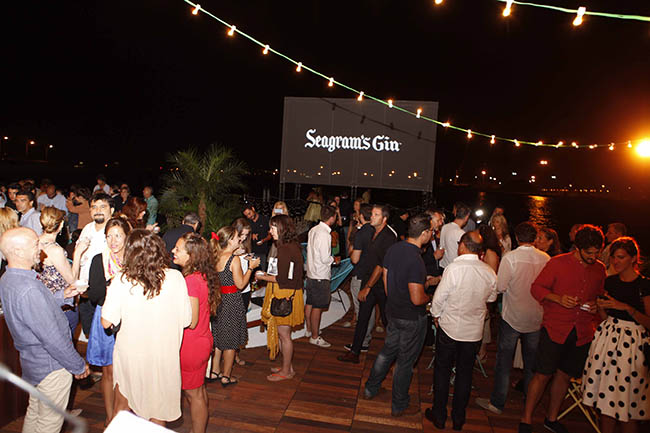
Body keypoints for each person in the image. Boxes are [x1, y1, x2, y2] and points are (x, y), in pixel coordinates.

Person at [0, 227, 90, 432]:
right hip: (51, 368)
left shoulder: (8, 279)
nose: (40, 249)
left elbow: (30, 310)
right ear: (18, 251)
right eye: (35, 245)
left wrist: (62, 295)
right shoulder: (29, 288)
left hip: (32, 363)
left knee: (34, 414)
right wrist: (78, 366)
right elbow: (53, 339)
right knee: (48, 424)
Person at [518, 225, 606, 433]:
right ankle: (526, 419)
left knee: (565, 375)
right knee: (543, 374)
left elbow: (599, 296)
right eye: (589, 253)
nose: (593, 257)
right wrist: (558, 298)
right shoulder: (557, 263)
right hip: (555, 327)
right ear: (578, 248)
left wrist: (596, 306)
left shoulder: (600, 269)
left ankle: (551, 418)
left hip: (582, 331)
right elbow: (536, 288)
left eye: (597, 252)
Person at [101, 229, 192, 426]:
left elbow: (106, 322)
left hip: (131, 356)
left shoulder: (122, 280)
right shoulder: (176, 278)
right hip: (163, 356)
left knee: (122, 408)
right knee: (158, 412)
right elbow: (186, 320)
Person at [363, 214, 438, 417]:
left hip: (393, 311)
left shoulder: (394, 249)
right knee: (405, 363)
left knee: (387, 352)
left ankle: (371, 388)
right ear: (424, 233)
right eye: (431, 231)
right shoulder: (416, 260)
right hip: (411, 318)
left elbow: (387, 278)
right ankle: (399, 404)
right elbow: (417, 298)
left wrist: (398, 297)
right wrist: (430, 299)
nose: (432, 234)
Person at [476, 222, 550, 415]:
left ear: (517, 237)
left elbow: (500, 287)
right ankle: (529, 400)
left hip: (513, 316)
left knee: (504, 362)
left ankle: (497, 402)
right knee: (531, 363)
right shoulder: (546, 258)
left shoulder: (511, 258)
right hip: (536, 316)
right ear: (535, 238)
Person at [427, 231, 497, 431]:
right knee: (465, 374)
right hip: (473, 331)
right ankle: (459, 418)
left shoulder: (454, 269)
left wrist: (436, 315)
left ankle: (439, 415)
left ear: (463, 246)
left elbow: (439, 299)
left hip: (450, 328)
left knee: (442, 371)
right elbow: (492, 298)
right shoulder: (489, 272)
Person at [582, 237, 650, 433]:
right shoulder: (610, 282)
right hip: (607, 341)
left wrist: (626, 307)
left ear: (633, 258)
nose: (616, 261)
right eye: (613, 257)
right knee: (605, 400)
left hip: (632, 345)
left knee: (628, 403)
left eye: (621, 257)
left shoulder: (644, 285)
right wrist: (600, 307)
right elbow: (605, 317)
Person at [172, 232, 219, 433]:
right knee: (198, 391)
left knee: (194, 394)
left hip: (191, 344)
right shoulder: (202, 275)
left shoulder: (191, 280)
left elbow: (190, 322)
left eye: (178, 249)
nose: (173, 251)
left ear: (191, 255)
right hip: (201, 339)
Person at [338, 204, 397, 363]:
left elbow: (381, 265)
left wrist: (367, 287)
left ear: (384, 219)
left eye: (376, 215)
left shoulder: (389, 236)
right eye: (372, 214)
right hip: (368, 280)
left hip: (380, 285)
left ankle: (396, 354)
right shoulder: (370, 231)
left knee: (387, 320)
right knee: (363, 317)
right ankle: (355, 352)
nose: (372, 217)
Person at [85, 217, 130, 424]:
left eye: (118, 236)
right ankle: (110, 415)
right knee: (109, 370)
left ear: (127, 237)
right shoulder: (99, 259)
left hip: (130, 317)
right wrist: (113, 286)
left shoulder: (134, 259)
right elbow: (94, 295)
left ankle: (126, 414)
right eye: (109, 236)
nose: (113, 241)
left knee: (127, 370)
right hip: (106, 316)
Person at [208, 226, 260, 386]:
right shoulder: (233, 260)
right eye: (238, 237)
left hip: (218, 300)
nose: (240, 239)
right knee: (230, 341)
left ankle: (215, 371)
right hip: (231, 301)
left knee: (219, 337)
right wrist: (251, 267)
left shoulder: (215, 256)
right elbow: (240, 284)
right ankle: (226, 376)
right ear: (230, 240)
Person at [257, 215, 305, 381]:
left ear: (282, 229)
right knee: (284, 334)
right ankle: (287, 366)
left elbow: (282, 279)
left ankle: (286, 372)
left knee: (284, 336)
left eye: (273, 227)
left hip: (285, 294)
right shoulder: (291, 245)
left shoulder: (285, 248)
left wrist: (262, 276)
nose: (270, 231)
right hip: (290, 292)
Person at [73, 192, 114, 338]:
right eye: (94, 207)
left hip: (106, 292)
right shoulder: (87, 228)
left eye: (103, 207)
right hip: (85, 289)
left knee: (105, 335)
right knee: (89, 330)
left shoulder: (115, 230)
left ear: (112, 210)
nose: (98, 210)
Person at [38, 207, 78, 332]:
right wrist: (78, 253)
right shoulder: (55, 250)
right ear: (61, 225)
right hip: (59, 306)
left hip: (40, 303)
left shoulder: (34, 242)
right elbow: (72, 280)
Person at [305, 204, 339, 348]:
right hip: (320, 275)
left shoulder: (313, 230)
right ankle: (314, 337)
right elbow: (325, 258)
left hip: (311, 273)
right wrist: (334, 260)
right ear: (332, 218)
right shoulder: (325, 234)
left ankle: (309, 330)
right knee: (317, 307)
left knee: (310, 303)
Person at [341, 204, 374, 343]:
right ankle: (367, 337)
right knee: (370, 307)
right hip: (373, 274)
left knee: (361, 308)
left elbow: (354, 258)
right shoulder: (377, 231)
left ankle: (362, 340)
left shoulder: (361, 233)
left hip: (360, 273)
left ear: (361, 216)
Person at [231, 217, 253, 367]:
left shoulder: (246, 245)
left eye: (246, 235)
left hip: (246, 288)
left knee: (240, 324)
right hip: (234, 288)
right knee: (232, 324)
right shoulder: (230, 246)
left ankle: (235, 354)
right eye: (241, 234)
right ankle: (230, 355)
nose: (244, 238)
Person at [439, 202, 470, 269]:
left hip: (443, 266)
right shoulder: (461, 233)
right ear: (467, 217)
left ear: (455, 214)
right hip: (454, 268)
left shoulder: (445, 227)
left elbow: (441, 246)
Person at [242, 204, 270, 272]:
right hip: (250, 251)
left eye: (249, 213)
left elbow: (270, 235)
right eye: (247, 215)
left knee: (261, 272)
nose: (249, 216)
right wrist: (251, 235)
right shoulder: (247, 222)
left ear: (253, 209)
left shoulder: (264, 219)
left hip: (262, 251)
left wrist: (263, 240)